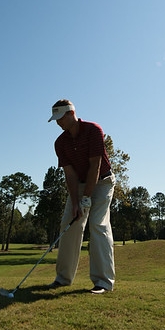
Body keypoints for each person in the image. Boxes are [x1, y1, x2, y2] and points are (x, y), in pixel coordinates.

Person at [47, 99, 115, 294]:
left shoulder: (93, 130)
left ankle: (103, 282)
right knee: (69, 223)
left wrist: (87, 198)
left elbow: (95, 165)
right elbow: (70, 175)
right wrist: (77, 203)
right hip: (79, 184)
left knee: (97, 224)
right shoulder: (60, 143)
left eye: (61, 118)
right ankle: (63, 278)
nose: (58, 123)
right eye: (56, 119)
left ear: (71, 114)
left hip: (102, 181)